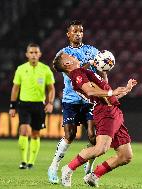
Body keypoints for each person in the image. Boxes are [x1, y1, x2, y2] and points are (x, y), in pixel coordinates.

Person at [52, 52, 137, 187]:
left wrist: (125, 90)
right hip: (104, 112)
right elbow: (91, 92)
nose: (74, 56)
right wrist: (112, 92)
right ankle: (68, 169)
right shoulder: (77, 74)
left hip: (114, 111)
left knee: (125, 156)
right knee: (100, 149)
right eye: (70, 56)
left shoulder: (84, 72)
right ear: (67, 64)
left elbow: (107, 96)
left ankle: (93, 176)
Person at [47, 20, 107, 184]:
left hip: (89, 99)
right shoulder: (63, 54)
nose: (78, 34)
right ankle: (54, 165)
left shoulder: (91, 50)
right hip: (71, 99)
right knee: (70, 135)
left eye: (80, 31)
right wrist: (91, 64)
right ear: (68, 34)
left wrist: (103, 65)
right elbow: (72, 73)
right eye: (75, 31)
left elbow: (100, 69)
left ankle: (88, 169)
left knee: (93, 136)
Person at [9, 43, 55, 169]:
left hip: (39, 105)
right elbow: (15, 88)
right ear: (27, 55)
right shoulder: (21, 69)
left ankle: (31, 162)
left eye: (36, 52)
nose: (34, 55)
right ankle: (23, 161)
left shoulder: (45, 70)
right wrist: (12, 106)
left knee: (35, 133)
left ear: (39, 54)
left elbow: (51, 89)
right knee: (23, 130)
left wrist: (50, 103)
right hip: (24, 104)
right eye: (31, 52)